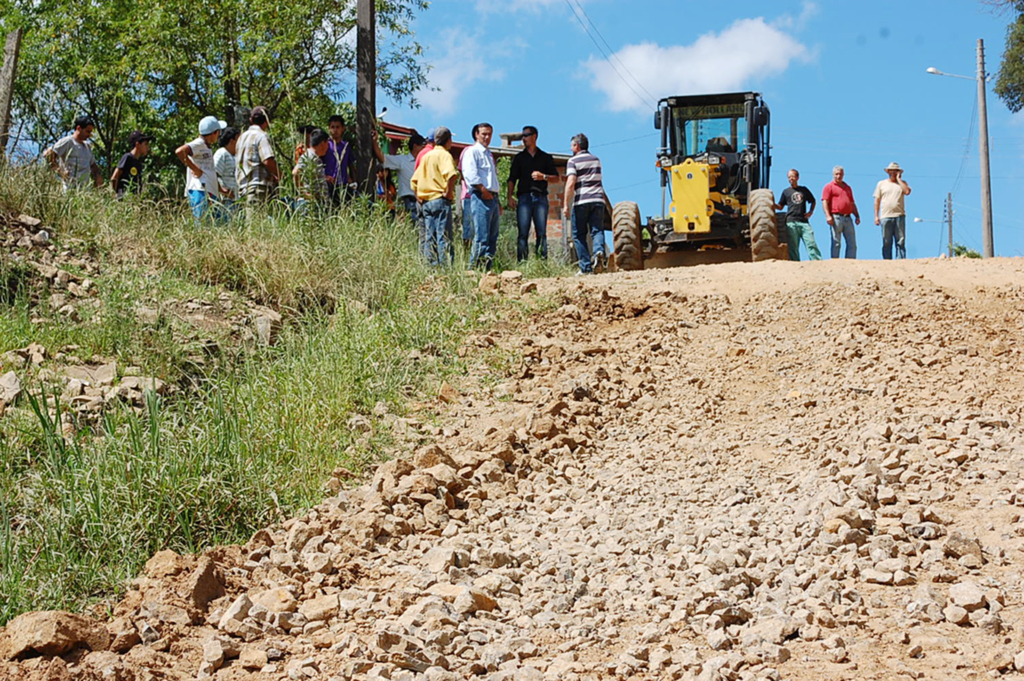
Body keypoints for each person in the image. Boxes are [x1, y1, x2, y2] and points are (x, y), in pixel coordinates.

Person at [508, 125, 558, 262]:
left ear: (534, 136)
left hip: (541, 197)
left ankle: (542, 263)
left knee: (541, 233)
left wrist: (544, 176)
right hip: (523, 198)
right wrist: (509, 196)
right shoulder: (519, 158)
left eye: (526, 135)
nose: (523, 138)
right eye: (522, 136)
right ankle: (522, 263)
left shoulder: (545, 157)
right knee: (523, 233)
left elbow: (556, 177)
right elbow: (511, 179)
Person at [410, 126, 458, 267]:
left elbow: (414, 181)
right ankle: (445, 267)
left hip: (426, 202)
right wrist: (448, 193)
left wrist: (420, 197)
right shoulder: (444, 155)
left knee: (430, 236)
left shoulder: (427, 156)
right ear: (448, 140)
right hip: (440, 200)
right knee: (444, 236)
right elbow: (451, 175)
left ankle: (430, 267)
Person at [563, 133, 607, 274]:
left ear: (576, 146)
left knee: (579, 235)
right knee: (597, 230)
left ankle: (586, 267)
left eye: (571, 146)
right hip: (598, 200)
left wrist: (565, 204)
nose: (570, 149)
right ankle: (599, 251)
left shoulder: (573, 161)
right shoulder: (596, 160)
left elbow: (571, 183)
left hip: (582, 200)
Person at [462, 122, 500, 270]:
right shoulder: (472, 152)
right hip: (480, 196)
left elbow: (493, 179)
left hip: (492, 197)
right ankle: (475, 269)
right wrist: (483, 190)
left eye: (489, 134)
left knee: (492, 237)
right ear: (476, 135)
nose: (487, 137)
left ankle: (487, 270)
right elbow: (470, 174)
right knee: (481, 236)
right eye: (484, 134)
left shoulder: (488, 154)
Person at [177, 115, 226, 222]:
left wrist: (220, 189)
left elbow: (209, 170)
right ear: (213, 133)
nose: (219, 135)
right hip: (199, 190)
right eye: (218, 132)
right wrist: (194, 169)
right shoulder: (199, 143)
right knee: (203, 222)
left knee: (216, 223)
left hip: (209, 191)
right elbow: (180, 151)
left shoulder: (206, 146)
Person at [235, 106, 280, 219]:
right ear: (267, 121)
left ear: (251, 120)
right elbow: (267, 160)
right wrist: (279, 174)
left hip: (243, 187)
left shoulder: (241, 137)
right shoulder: (262, 136)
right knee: (255, 226)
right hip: (257, 188)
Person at [374, 131, 426, 219]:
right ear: (415, 146)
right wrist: (374, 142)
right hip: (410, 200)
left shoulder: (425, 161)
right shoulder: (402, 160)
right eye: (422, 146)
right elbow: (382, 158)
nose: (424, 149)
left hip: (424, 200)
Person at [43, 116, 103, 190]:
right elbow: (48, 154)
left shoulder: (87, 146)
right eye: (87, 131)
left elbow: (93, 165)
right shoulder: (68, 141)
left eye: (90, 132)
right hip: (69, 189)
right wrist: (60, 171)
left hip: (84, 191)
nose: (89, 135)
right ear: (79, 128)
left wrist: (98, 179)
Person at [775, 168, 821, 261]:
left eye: (792, 176)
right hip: (791, 222)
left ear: (797, 177)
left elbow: (813, 201)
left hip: (804, 221)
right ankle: (795, 264)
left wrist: (811, 212)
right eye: (789, 177)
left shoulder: (803, 190)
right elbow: (780, 206)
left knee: (811, 243)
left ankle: (817, 262)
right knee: (793, 246)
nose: (790, 179)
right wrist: (770, 203)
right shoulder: (786, 192)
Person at [874, 162, 912, 260]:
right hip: (886, 216)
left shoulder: (903, 184)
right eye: (891, 171)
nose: (893, 173)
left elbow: (907, 191)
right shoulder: (881, 184)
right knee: (886, 241)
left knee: (900, 240)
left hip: (899, 215)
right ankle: (887, 261)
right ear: (888, 172)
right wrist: (876, 216)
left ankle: (901, 260)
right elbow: (877, 200)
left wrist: (899, 179)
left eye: (896, 171)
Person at [821, 165, 860, 259]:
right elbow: (824, 201)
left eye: (840, 174)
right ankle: (835, 261)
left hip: (848, 217)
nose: (839, 176)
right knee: (836, 242)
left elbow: (852, 202)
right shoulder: (829, 187)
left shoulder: (847, 187)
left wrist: (857, 215)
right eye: (836, 174)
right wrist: (827, 216)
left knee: (852, 243)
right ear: (833, 175)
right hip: (836, 217)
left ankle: (850, 261)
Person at [292, 128, 331, 209]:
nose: (328, 147)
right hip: (309, 205)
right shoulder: (309, 156)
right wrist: (304, 193)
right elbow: (295, 172)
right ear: (323, 143)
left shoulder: (316, 158)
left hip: (318, 204)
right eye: (327, 144)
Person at [110, 130, 153, 198]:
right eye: (146, 144)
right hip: (123, 198)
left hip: (133, 200)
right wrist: (116, 194)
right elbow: (114, 177)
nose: (148, 147)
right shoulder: (127, 157)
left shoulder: (139, 163)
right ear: (137, 144)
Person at [324, 115, 355, 204]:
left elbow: (351, 165)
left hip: (343, 184)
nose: (335, 130)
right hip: (328, 184)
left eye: (338, 127)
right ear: (329, 128)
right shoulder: (325, 145)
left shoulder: (346, 146)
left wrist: (353, 180)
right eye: (332, 127)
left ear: (343, 128)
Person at [214, 127, 240, 217]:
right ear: (232, 141)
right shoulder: (221, 153)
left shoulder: (235, 156)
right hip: (226, 200)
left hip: (236, 200)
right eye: (238, 139)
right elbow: (215, 173)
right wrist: (223, 190)